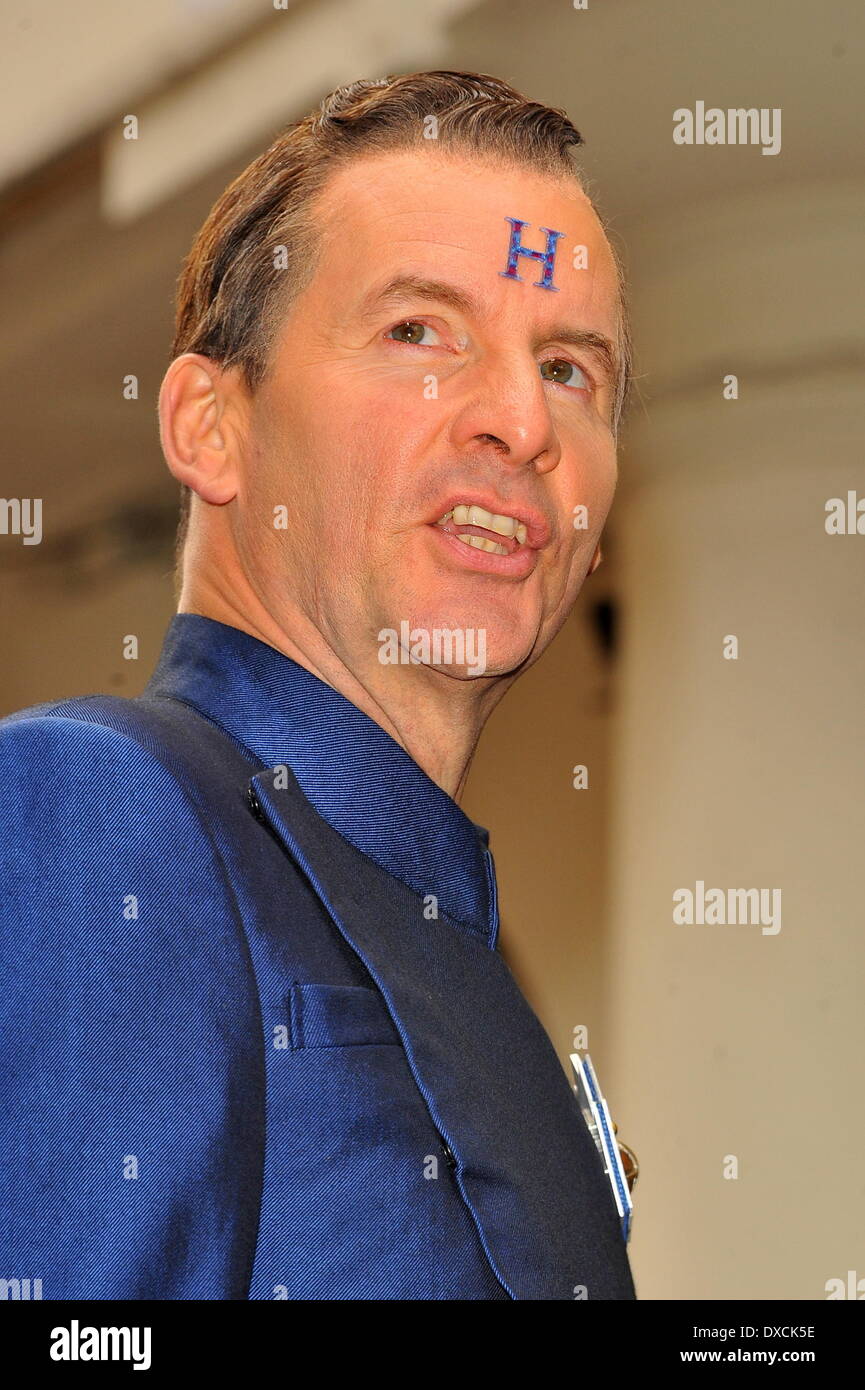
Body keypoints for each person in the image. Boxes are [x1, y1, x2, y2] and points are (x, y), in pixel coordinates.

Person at [0, 70, 635, 1300]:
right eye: (419, 331)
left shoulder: (459, 941)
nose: (520, 418)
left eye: (570, 370)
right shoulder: (102, 805)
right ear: (209, 426)